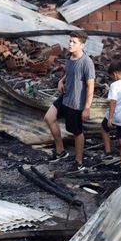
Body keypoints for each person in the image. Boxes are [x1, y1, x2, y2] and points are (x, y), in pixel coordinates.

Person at [44, 30, 95, 171]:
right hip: (65, 97)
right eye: (70, 41)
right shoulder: (69, 57)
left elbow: (91, 87)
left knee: (77, 132)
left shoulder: (87, 63)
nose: (70, 44)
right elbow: (68, 72)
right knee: (49, 118)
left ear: (82, 46)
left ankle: (79, 162)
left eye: (74, 42)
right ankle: (60, 151)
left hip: (76, 103)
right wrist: (62, 80)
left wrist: (87, 108)